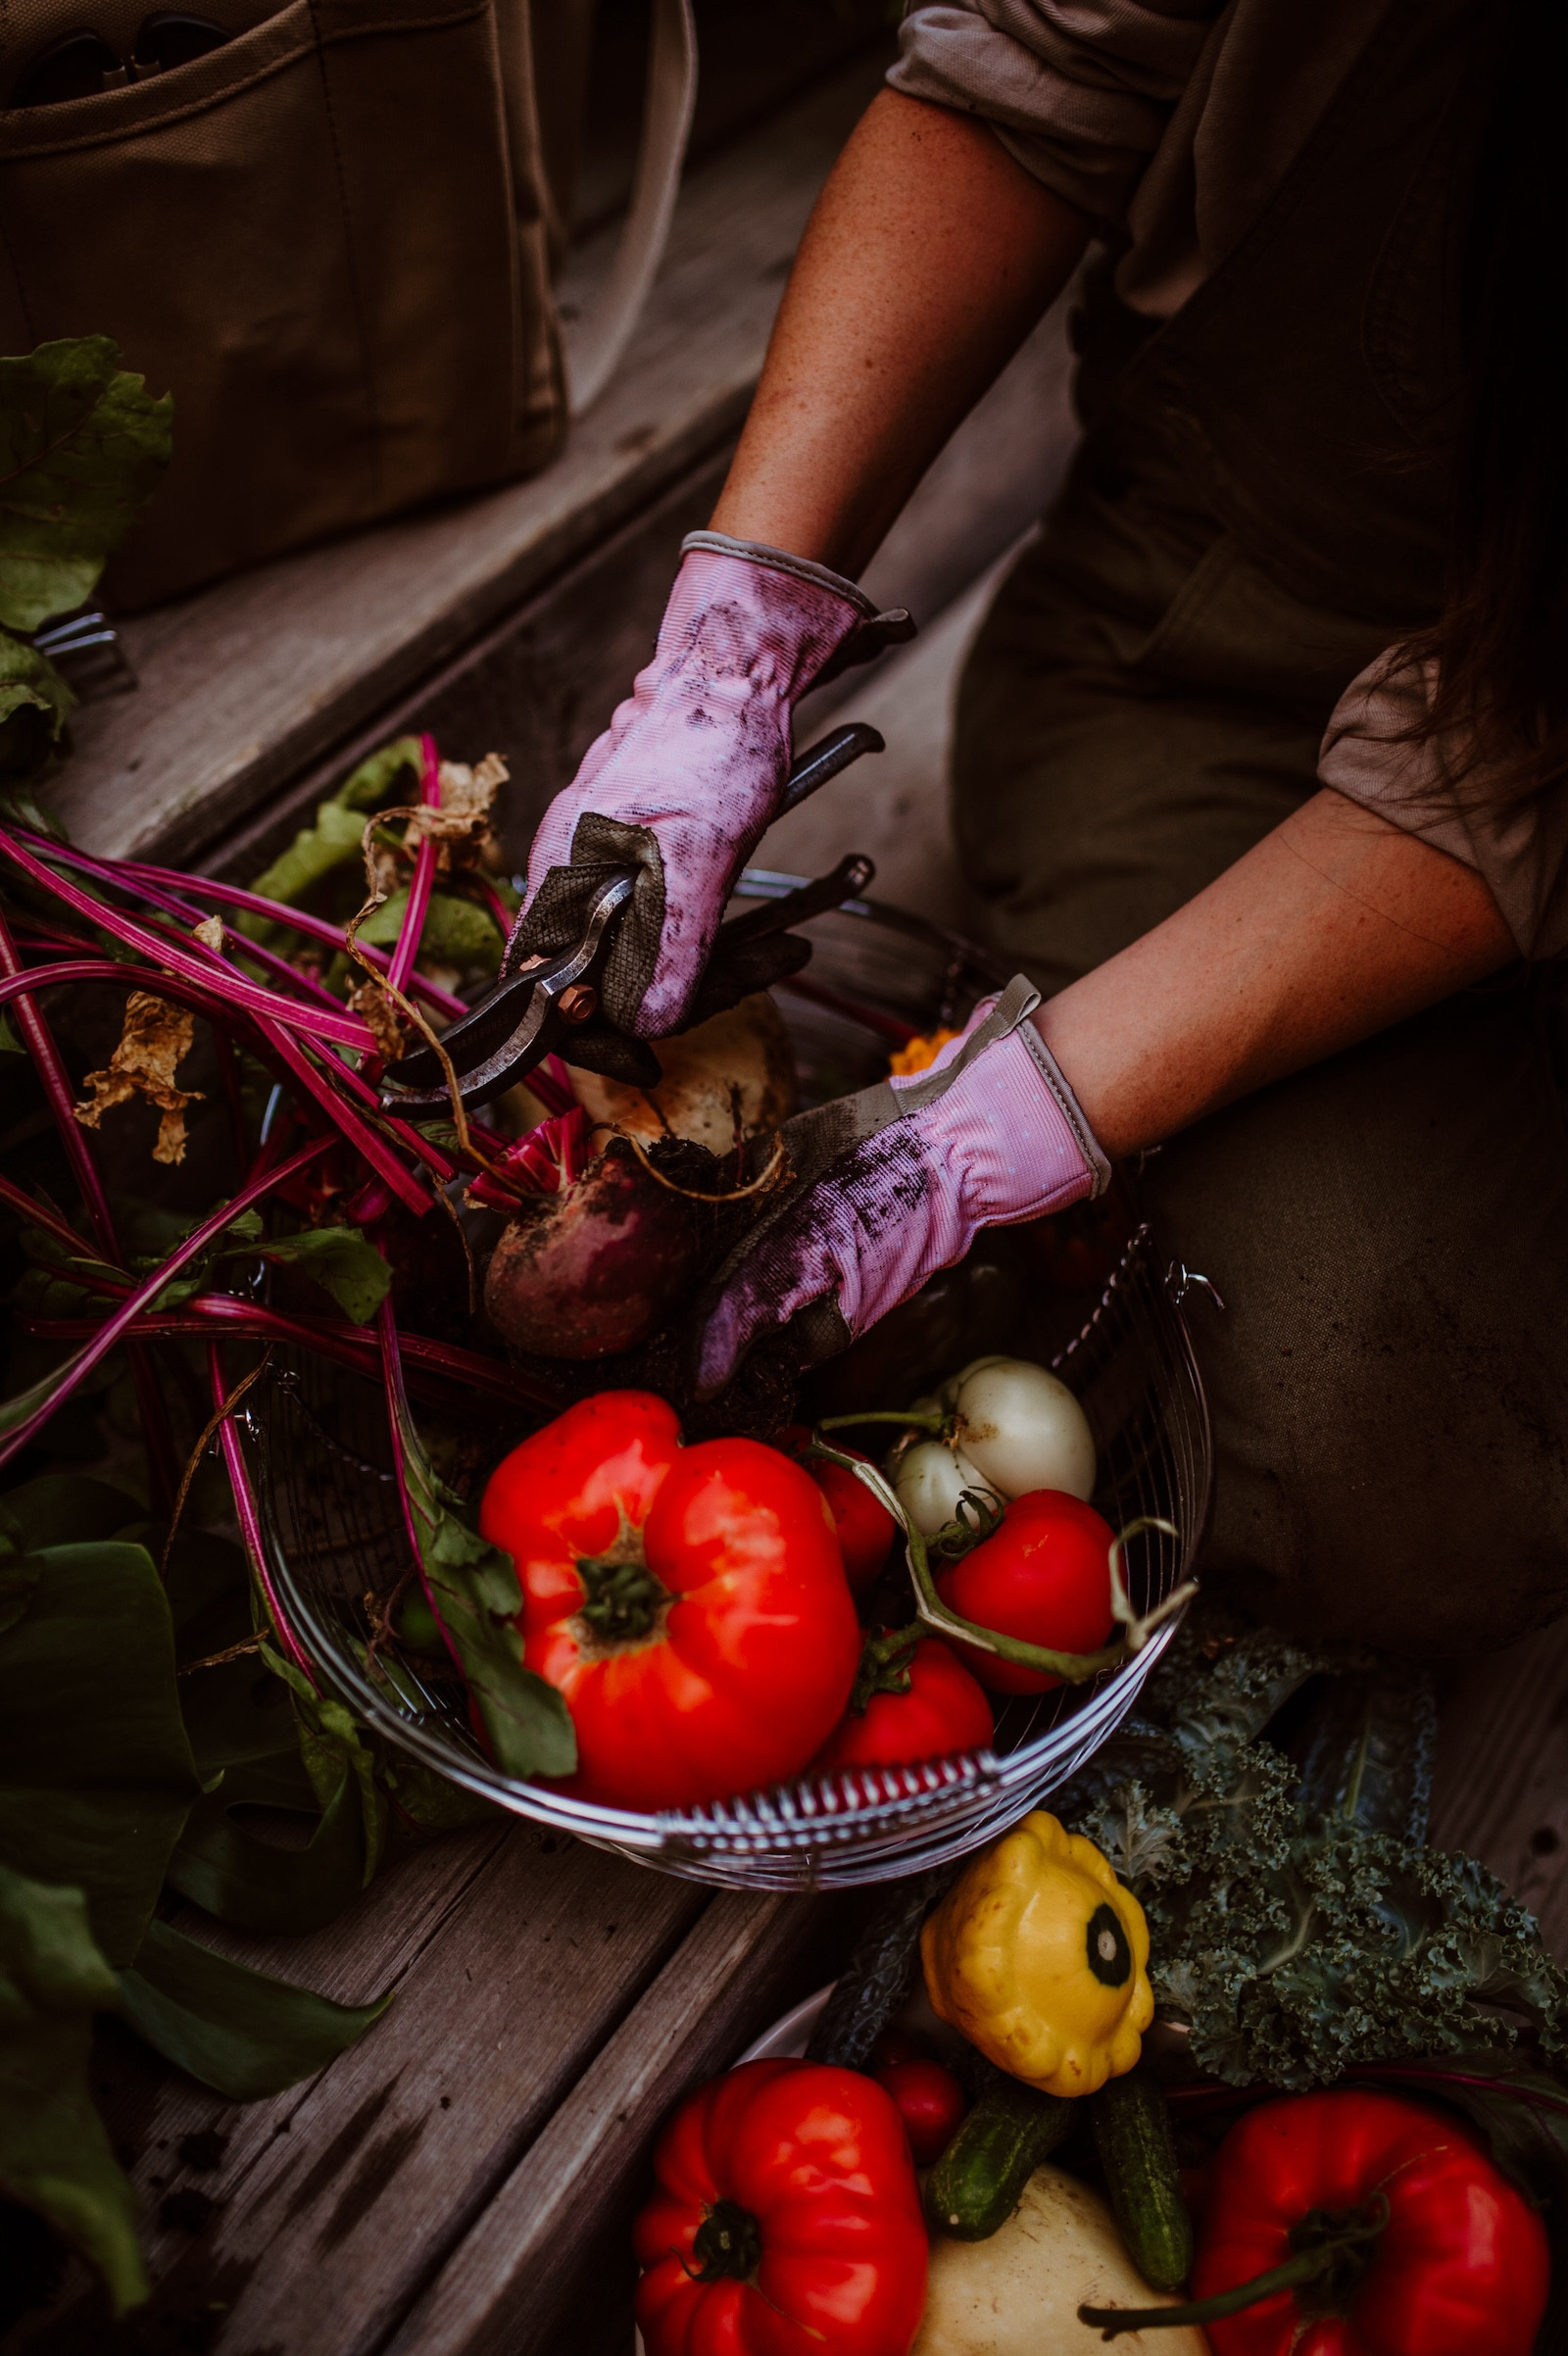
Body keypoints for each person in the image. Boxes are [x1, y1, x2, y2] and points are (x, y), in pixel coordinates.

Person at [507, 0, 1568, 1656]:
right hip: (1217, 644)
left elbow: (1521, 751)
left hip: (1534, 744)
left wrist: (987, 1137)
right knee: (1366, 1464)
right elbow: (1032, 77)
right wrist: (733, 648)